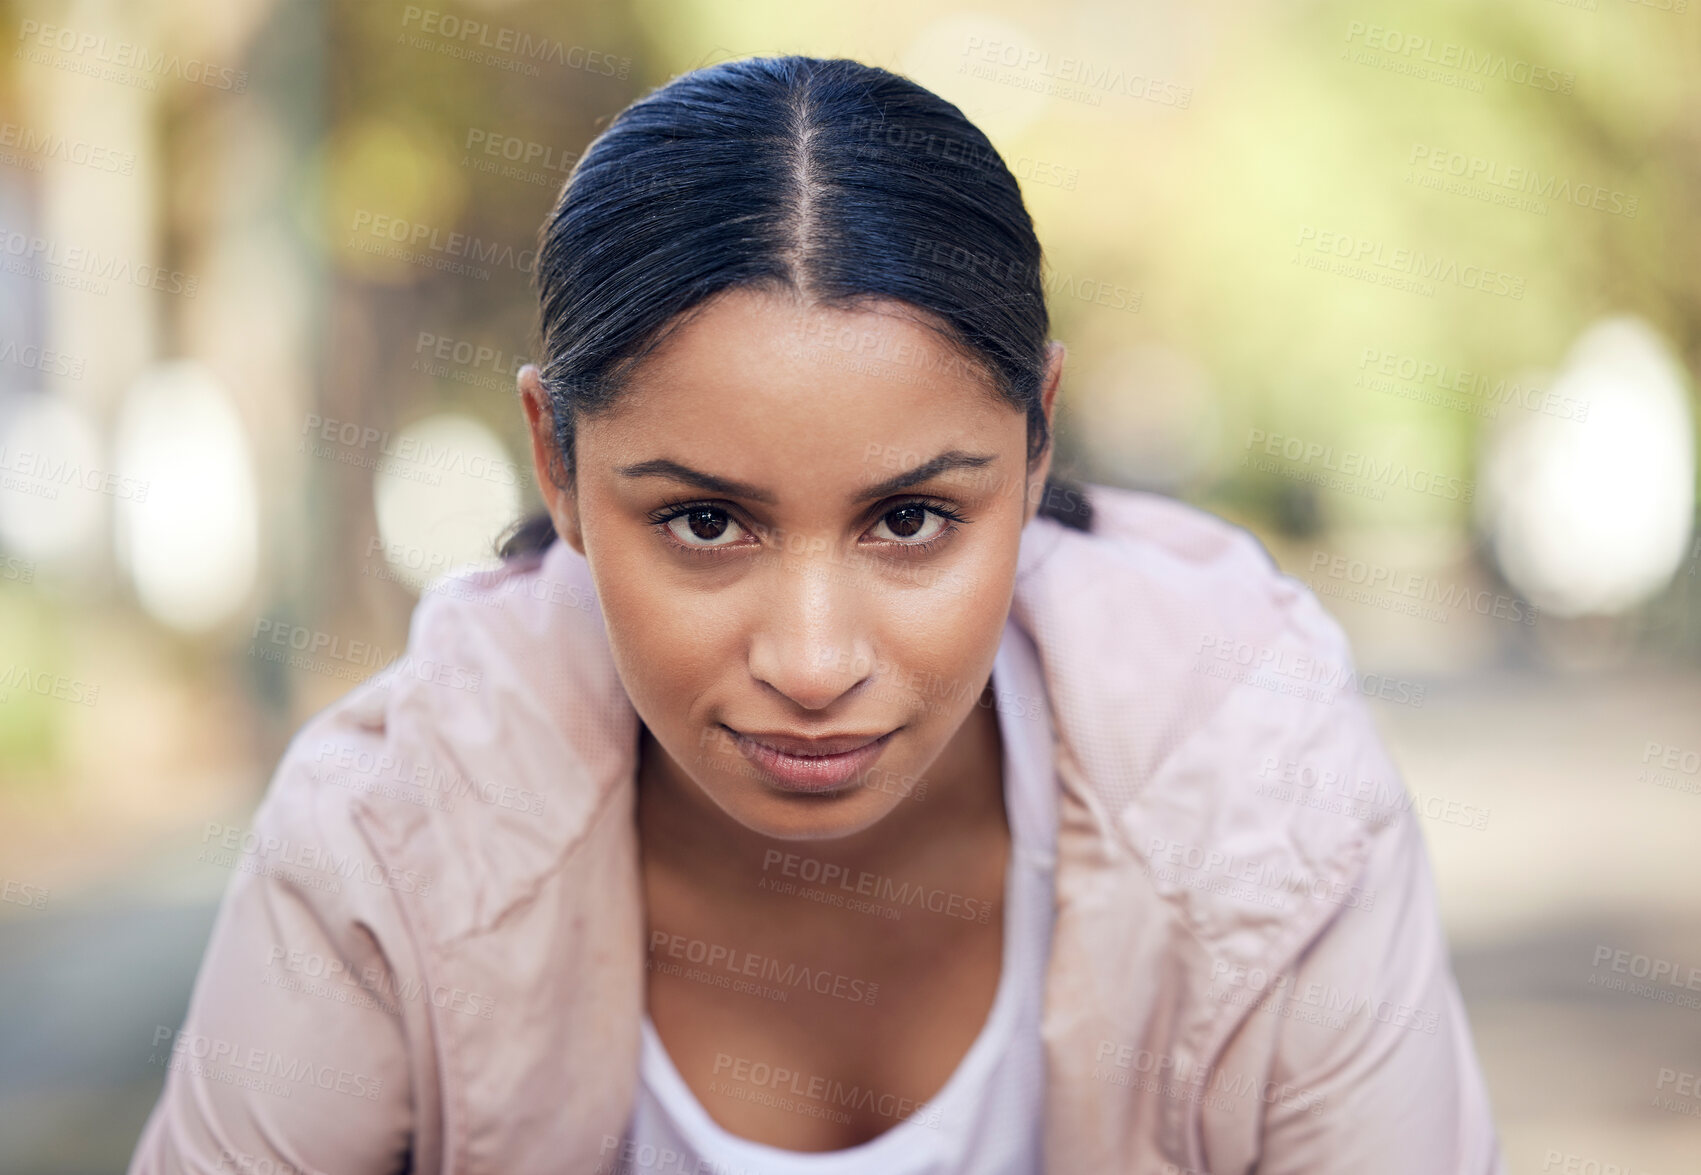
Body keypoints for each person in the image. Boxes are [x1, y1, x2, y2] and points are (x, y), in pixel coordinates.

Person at [129, 55, 1505, 1175]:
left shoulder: (1268, 798)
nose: (809, 662)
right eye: (703, 523)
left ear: (1035, 448)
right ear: (554, 458)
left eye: (909, 521)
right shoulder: (391, 838)